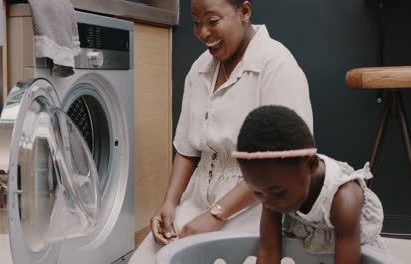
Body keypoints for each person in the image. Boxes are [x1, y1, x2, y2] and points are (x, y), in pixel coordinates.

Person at [129, 0, 313, 261]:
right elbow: (188, 149)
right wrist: (169, 203)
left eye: (212, 21)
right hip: (197, 199)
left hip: (259, 205)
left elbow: (282, 162)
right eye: (196, 22)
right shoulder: (199, 69)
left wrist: (216, 215)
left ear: (245, 12)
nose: (203, 33)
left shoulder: (277, 66)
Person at [232, 105, 384, 264]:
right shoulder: (272, 192)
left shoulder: (344, 199)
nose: (269, 203)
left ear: (311, 165)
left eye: (278, 193)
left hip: (356, 254)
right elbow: (268, 253)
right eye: (258, 193)